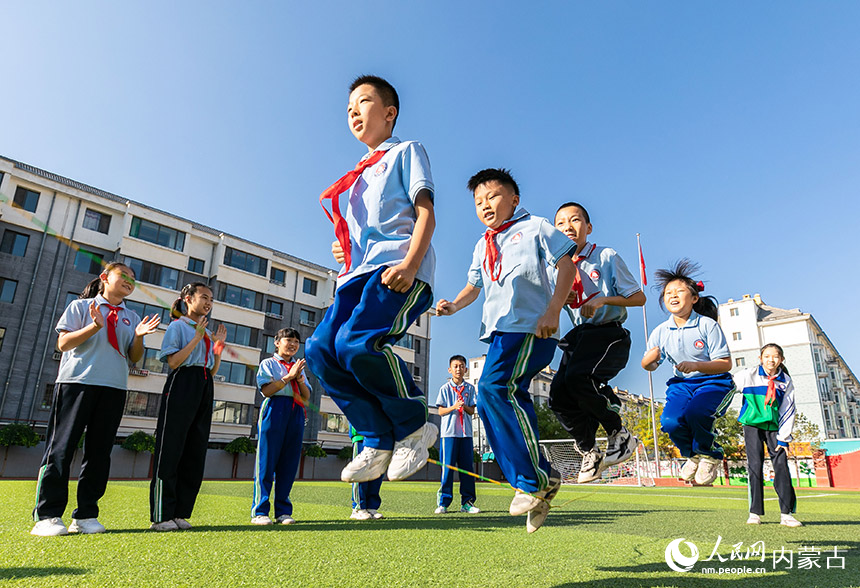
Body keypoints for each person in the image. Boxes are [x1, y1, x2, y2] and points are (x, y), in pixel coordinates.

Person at [305, 74, 437, 485]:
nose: (353, 113)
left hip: (395, 268)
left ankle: (415, 424)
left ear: (389, 112)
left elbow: (426, 213)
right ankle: (377, 438)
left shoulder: (406, 151)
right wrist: (342, 251)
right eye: (348, 109)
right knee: (320, 351)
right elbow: (359, 235)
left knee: (357, 344)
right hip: (355, 276)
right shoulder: (357, 177)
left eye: (362, 103)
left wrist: (412, 266)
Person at [436, 168, 576, 533]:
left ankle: (533, 480)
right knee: (498, 398)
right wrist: (453, 305)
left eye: (493, 197)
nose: (485, 205)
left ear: (514, 199)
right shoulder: (484, 243)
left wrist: (553, 309)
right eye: (479, 201)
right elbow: (473, 287)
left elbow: (566, 264)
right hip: (500, 333)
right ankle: (540, 477)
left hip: (532, 325)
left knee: (493, 389)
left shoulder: (537, 227)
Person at [31, 261, 160, 536]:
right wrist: (93, 327)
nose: (129, 280)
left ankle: (87, 514)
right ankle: (48, 514)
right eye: (123, 275)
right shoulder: (81, 307)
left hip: (113, 388)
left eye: (133, 278)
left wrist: (137, 337)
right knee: (61, 449)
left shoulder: (132, 317)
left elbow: (135, 357)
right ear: (105, 277)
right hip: (76, 384)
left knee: (99, 454)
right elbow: (63, 344)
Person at [548, 202, 646, 483]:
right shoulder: (557, 267)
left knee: (580, 378)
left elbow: (638, 298)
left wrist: (602, 299)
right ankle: (590, 450)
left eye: (575, 220)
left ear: (588, 228)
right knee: (558, 396)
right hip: (579, 338)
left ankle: (619, 433)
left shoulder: (605, 256)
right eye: (561, 223)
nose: (568, 226)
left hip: (608, 332)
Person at [641, 259, 733, 486]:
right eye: (667, 293)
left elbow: (725, 363)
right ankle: (692, 456)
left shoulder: (707, 325)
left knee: (696, 413)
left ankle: (710, 454)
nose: (672, 296)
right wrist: (648, 361)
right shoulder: (660, 331)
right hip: (682, 385)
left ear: (694, 298)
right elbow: (650, 365)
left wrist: (697, 365)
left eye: (679, 291)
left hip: (714, 382)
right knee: (670, 421)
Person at [150, 282, 226, 531]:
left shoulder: (204, 330)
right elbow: (173, 362)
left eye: (211, 299)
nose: (208, 303)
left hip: (204, 384)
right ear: (188, 299)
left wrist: (217, 350)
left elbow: (212, 371)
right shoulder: (178, 326)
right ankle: (162, 515)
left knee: (195, 451)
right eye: (204, 297)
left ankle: (181, 512)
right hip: (182, 383)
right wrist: (196, 338)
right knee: (171, 448)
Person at [734, 343, 801, 527]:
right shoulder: (748, 375)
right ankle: (754, 513)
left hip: (774, 428)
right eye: (767, 356)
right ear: (760, 358)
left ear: (781, 359)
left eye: (775, 356)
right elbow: (727, 386)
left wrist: (784, 437)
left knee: (781, 466)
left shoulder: (785, 381)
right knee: (755, 466)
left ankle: (786, 514)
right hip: (752, 426)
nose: (771, 360)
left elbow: (788, 409)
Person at [251, 328, 310, 526]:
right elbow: (267, 390)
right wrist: (288, 377)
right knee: (267, 461)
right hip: (275, 409)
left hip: (295, 412)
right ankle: (260, 511)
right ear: (277, 342)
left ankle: (283, 511)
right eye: (288, 340)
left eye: (296, 341)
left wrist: (299, 378)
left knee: (289, 463)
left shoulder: (298, 366)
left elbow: (306, 396)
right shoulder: (269, 363)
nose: (292, 344)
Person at [434, 355, 479, 514]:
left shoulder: (470, 389)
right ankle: (443, 503)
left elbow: (472, 410)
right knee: (447, 469)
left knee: (467, 469)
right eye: (456, 366)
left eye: (461, 366)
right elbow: (440, 411)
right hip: (449, 435)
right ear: (450, 369)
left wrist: (464, 406)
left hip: (466, 435)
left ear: (465, 369)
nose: (459, 369)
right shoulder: (444, 389)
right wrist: (454, 406)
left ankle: (467, 502)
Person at [348, 425, 384, 521]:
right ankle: (358, 508)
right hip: (362, 435)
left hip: (380, 436)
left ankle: (371, 507)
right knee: (361, 471)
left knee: (377, 473)